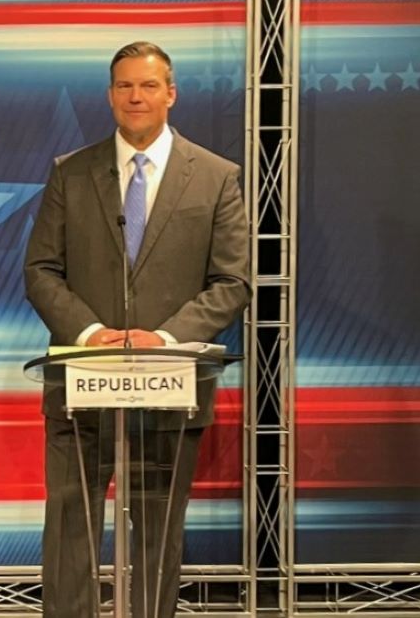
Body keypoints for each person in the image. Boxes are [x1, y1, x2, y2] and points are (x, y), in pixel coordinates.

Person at [23, 42, 251, 618]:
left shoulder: (218, 178)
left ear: (170, 93)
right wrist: (93, 331)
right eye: (124, 86)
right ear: (109, 96)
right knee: (71, 520)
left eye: (149, 86)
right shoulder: (70, 173)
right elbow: (41, 270)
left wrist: (165, 339)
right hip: (82, 381)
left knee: (156, 524)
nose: (136, 97)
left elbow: (233, 281)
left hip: (170, 385)